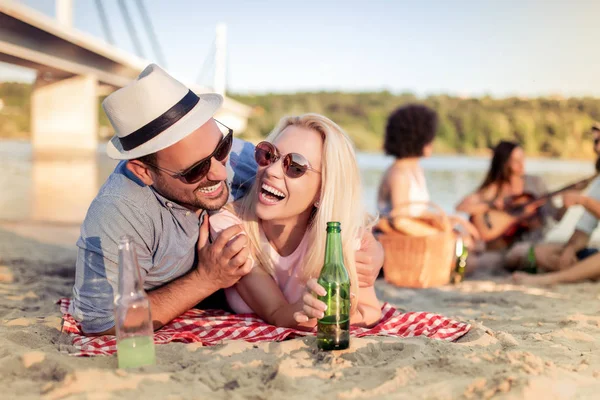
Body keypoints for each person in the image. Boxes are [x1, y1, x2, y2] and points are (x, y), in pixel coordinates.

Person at [70, 65, 385, 336]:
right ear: (144, 171)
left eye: (222, 148)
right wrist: (206, 279)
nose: (223, 172)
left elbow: (334, 195)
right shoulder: (119, 212)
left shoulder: (249, 161)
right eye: (196, 170)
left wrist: (373, 252)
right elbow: (100, 322)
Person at [209, 114, 383, 329]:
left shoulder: (338, 236)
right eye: (269, 155)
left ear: (324, 191)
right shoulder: (228, 226)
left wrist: (334, 312)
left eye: (296, 167)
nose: (271, 170)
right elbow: (276, 313)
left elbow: (371, 312)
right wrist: (309, 312)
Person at [377, 104, 480, 273]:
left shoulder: (415, 169)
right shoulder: (399, 173)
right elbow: (400, 220)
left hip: (416, 241)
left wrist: (454, 221)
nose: (432, 142)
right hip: (402, 246)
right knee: (474, 259)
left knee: (473, 246)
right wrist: (441, 235)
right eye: (429, 138)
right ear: (416, 138)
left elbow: (417, 212)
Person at [512, 123, 600, 285]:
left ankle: (553, 278)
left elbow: (586, 205)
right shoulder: (598, 183)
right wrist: (571, 249)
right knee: (536, 252)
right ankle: (582, 271)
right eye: (595, 141)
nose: (597, 147)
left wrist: (583, 200)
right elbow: (584, 230)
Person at [456, 141, 566, 269]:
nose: (521, 164)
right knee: (467, 259)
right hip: (500, 247)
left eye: (522, 159)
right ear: (505, 163)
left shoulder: (535, 183)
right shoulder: (496, 187)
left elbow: (556, 217)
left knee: (518, 253)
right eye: (516, 161)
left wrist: (566, 205)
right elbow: (461, 207)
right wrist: (495, 206)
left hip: (528, 245)